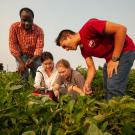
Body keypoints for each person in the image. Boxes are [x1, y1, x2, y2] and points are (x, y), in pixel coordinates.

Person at [55, 18, 135, 99]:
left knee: (113, 87)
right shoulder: (83, 49)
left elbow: (121, 29)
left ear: (69, 36)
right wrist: (87, 84)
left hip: (124, 51)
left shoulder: (89, 26)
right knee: (107, 88)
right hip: (111, 59)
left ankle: (119, 110)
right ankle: (110, 110)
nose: (66, 49)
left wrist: (114, 59)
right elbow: (91, 68)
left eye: (64, 46)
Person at [9, 7, 44, 81]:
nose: (27, 23)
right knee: (23, 74)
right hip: (21, 55)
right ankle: (24, 89)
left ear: (33, 19)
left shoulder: (39, 30)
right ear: (20, 18)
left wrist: (33, 59)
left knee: (38, 73)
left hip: (35, 56)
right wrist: (21, 62)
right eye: (24, 20)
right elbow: (13, 46)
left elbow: (39, 47)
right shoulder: (14, 27)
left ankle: (37, 89)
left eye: (29, 20)